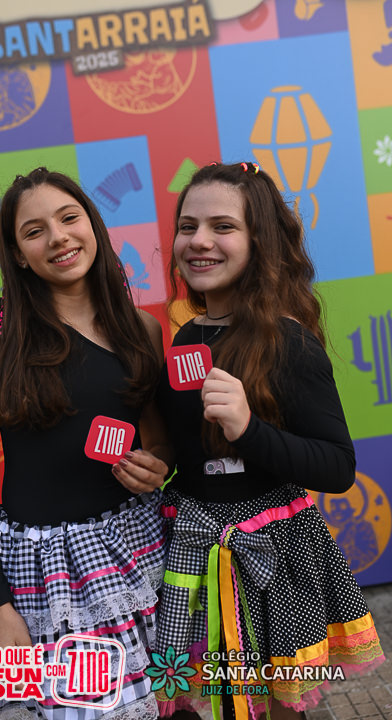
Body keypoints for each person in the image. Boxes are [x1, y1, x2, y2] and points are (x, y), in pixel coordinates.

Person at [154, 162, 385, 720]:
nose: (199, 241)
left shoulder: (289, 341)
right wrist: (153, 462)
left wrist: (248, 429)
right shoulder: (186, 336)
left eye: (222, 227)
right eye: (188, 226)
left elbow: (336, 467)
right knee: (200, 701)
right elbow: (189, 454)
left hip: (275, 559)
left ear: (258, 240)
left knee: (282, 706)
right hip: (194, 553)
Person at [0, 167, 171, 720]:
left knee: (170, 703)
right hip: (35, 577)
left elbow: (160, 442)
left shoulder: (142, 329)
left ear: (92, 225)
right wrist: (0, 606)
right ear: (18, 254)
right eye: (35, 231)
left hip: (138, 553)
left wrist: (157, 466)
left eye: (69, 218)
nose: (58, 237)